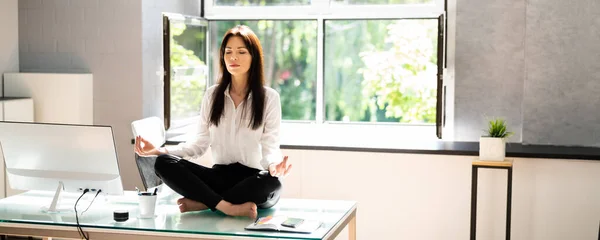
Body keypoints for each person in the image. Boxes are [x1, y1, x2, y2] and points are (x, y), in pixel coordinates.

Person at [134, 25, 292, 219]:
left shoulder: (269, 97)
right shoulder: (212, 95)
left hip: (252, 179)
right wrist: (160, 150)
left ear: (254, 57)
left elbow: (270, 146)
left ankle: (205, 202)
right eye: (228, 52)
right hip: (219, 177)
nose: (233, 57)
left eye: (241, 52)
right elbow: (199, 145)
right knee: (163, 163)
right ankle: (227, 206)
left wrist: (274, 165)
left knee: (272, 183)